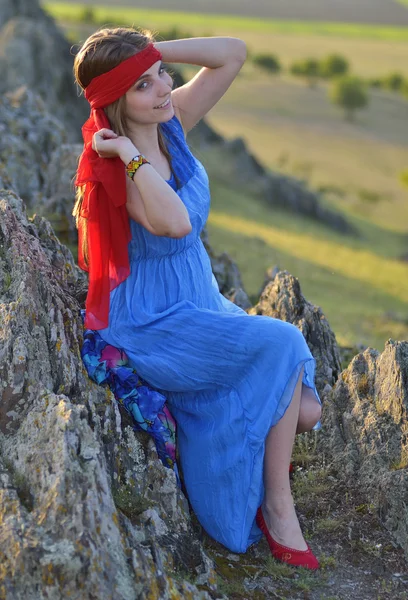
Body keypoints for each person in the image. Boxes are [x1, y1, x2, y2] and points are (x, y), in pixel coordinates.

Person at [72, 26, 322, 570]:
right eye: (142, 84)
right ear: (116, 103)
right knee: (282, 344)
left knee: (304, 410)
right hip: (154, 319)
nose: (163, 87)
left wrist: (153, 52)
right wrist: (129, 156)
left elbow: (234, 52)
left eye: (161, 73)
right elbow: (177, 221)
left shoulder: (171, 121)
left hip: (197, 295)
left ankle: (241, 450)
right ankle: (278, 510)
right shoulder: (115, 169)